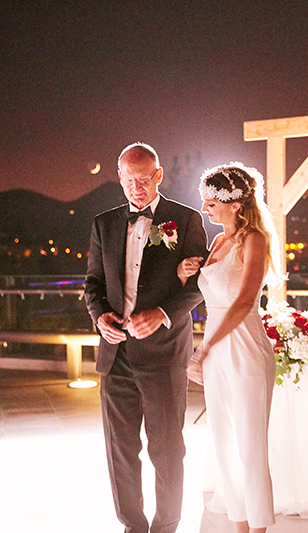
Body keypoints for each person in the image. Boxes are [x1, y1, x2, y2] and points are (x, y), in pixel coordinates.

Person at [85, 142, 208, 533]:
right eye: (129, 179)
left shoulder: (185, 220)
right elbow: (92, 284)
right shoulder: (103, 224)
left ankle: (167, 526)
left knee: (168, 449)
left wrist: (162, 314)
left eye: (144, 179)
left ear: (158, 176)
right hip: (115, 355)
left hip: (163, 355)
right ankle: (132, 526)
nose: (137, 187)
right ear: (119, 178)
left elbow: (202, 283)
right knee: (120, 450)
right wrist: (99, 315)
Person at [178, 162, 283, 533]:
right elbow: (207, 292)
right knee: (222, 441)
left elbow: (242, 302)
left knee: (250, 445)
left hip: (244, 345)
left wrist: (203, 350)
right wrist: (185, 272)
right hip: (217, 346)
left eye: (211, 203)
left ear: (235, 204)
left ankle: (258, 529)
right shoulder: (217, 242)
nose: (205, 210)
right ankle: (239, 527)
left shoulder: (254, 240)